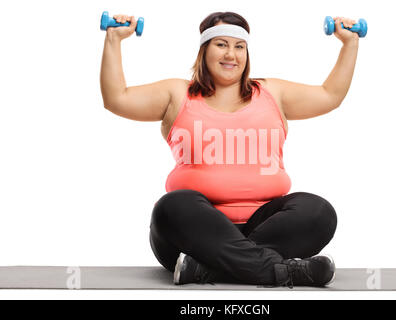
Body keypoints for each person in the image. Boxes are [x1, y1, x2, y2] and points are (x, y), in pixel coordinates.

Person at [100, 11, 359, 288]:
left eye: (239, 46)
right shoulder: (177, 94)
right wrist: (114, 40)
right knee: (171, 207)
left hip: (266, 226)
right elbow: (116, 98)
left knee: (318, 211)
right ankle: (282, 271)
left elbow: (330, 95)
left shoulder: (273, 93)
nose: (231, 55)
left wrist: (350, 44)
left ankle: (208, 269)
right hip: (193, 232)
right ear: (204, 50)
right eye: (221, 44)